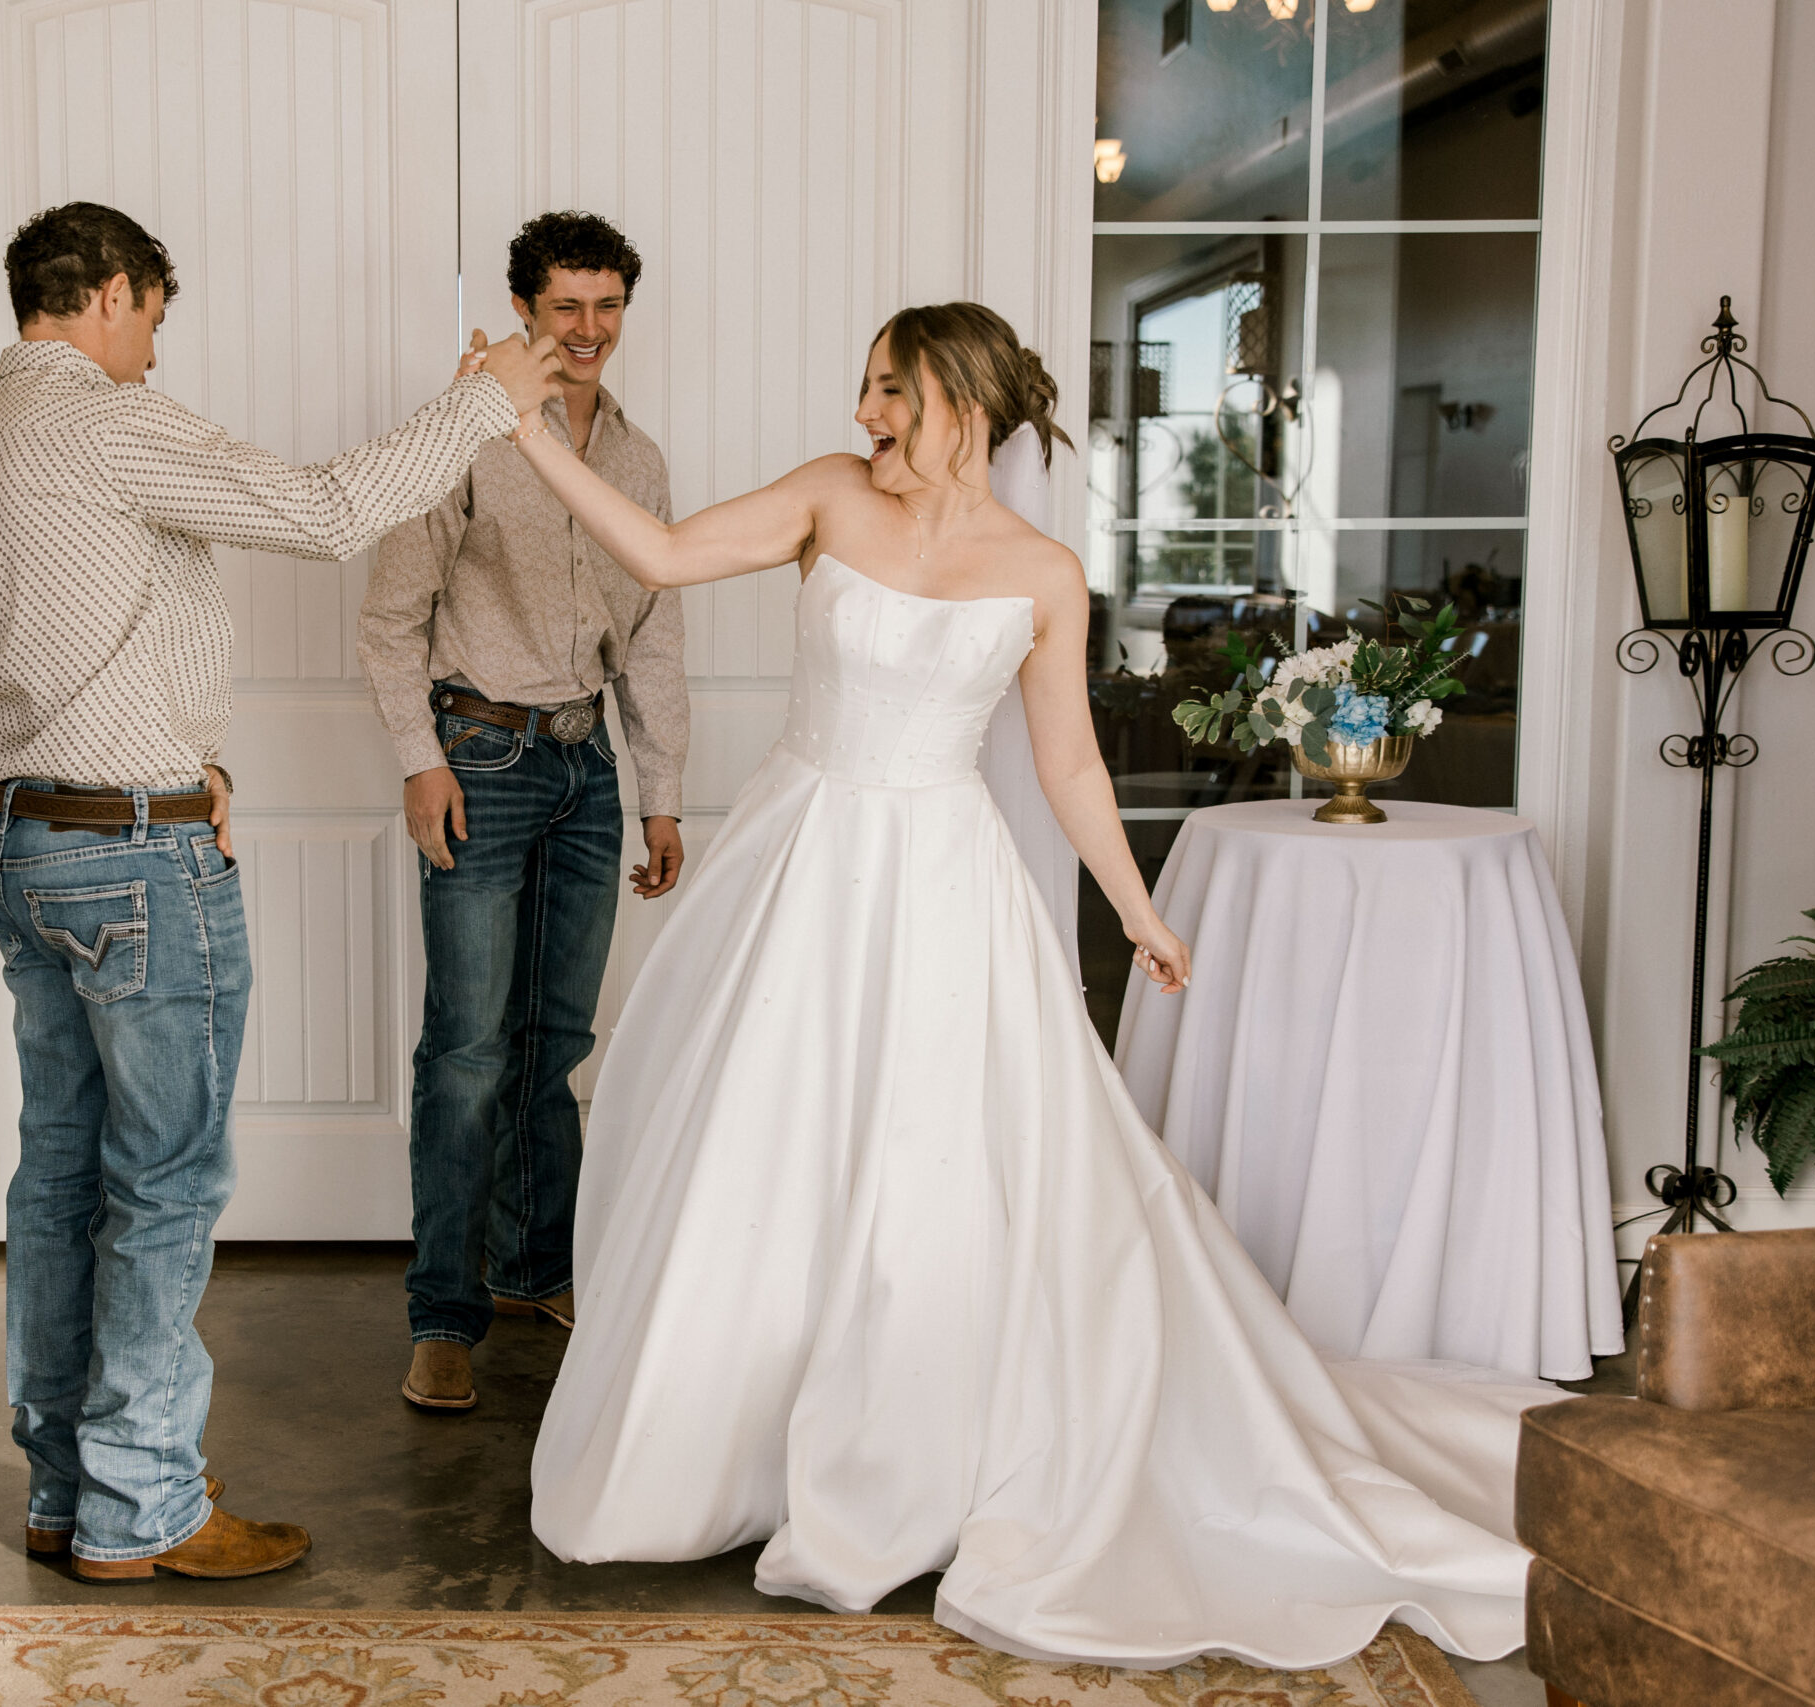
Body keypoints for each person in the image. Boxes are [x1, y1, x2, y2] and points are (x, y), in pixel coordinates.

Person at [502, 302, 1549, 1667]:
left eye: (896, 394)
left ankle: (912, 1458)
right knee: (768, 1149)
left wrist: (1138, 906)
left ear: (968, 401)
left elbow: (1067, 764)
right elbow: (657, 548)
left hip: (943, 888)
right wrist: (520, 427)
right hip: (803, 864)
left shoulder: (1044, 571)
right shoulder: (826, 500)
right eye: (866, 388)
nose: (868, 416)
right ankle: (728, 1443)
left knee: (927, 1173)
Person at [0, 201, 559, 1583]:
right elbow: (324, 513)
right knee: (161, 1183)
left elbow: (56, 637)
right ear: (113, 293)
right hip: (135, 857)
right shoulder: (103, 421)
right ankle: (142, 1507)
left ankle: (64, 1487)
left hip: (23, 840)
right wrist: (480, 405)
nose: (154, 346)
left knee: (56, 1177)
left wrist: (170, 743)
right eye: (153, 316)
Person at [359, 211, 688, 1414]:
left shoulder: (640, 462)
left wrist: (659, 794)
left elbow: (652, 640)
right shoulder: (467, 441)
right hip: (479, 760)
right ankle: (443, 1316)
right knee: (465, 1055)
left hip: (586, 771)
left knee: (556, 1050)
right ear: (521, 312)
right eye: (566, 307)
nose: (589, 329)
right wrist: (419, 758)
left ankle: (537, 1271)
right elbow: (390, 617)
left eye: (607, 306)